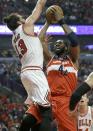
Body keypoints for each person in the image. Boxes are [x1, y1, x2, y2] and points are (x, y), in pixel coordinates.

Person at [3, 0, 53, 131]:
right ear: (19, 22)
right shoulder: (27, 25)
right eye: (22, 18)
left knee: (37, 110)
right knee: (47, 110)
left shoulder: (14, 38)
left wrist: (45, 28)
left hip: (25, 74)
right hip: (35, 72)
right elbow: (39, 6)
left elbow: (34, 42)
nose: (25, 19)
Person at [39, 5, 80, 131]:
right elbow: (39, 40)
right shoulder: (50, 58)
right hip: (49, 99)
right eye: (55, 43)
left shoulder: (73, 59)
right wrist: (47, 22)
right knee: (34, 124)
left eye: (60, 43)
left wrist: (61, 21)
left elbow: (74, 40)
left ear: (66, 48)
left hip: (66, 101)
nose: (57, 43)